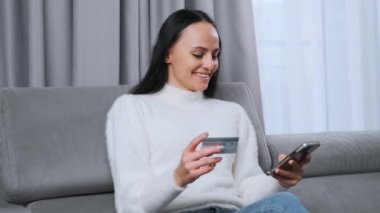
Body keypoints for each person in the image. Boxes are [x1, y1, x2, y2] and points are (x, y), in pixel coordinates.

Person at [106, 9, 310, 213]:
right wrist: (177, 177)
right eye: (198, 54)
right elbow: (130, 206)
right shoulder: (132, 108)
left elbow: (246, 191)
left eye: (215, 55)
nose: (210, 64)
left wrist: (279, 180)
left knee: (284, 201)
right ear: (168, 53)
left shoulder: (233, 113)